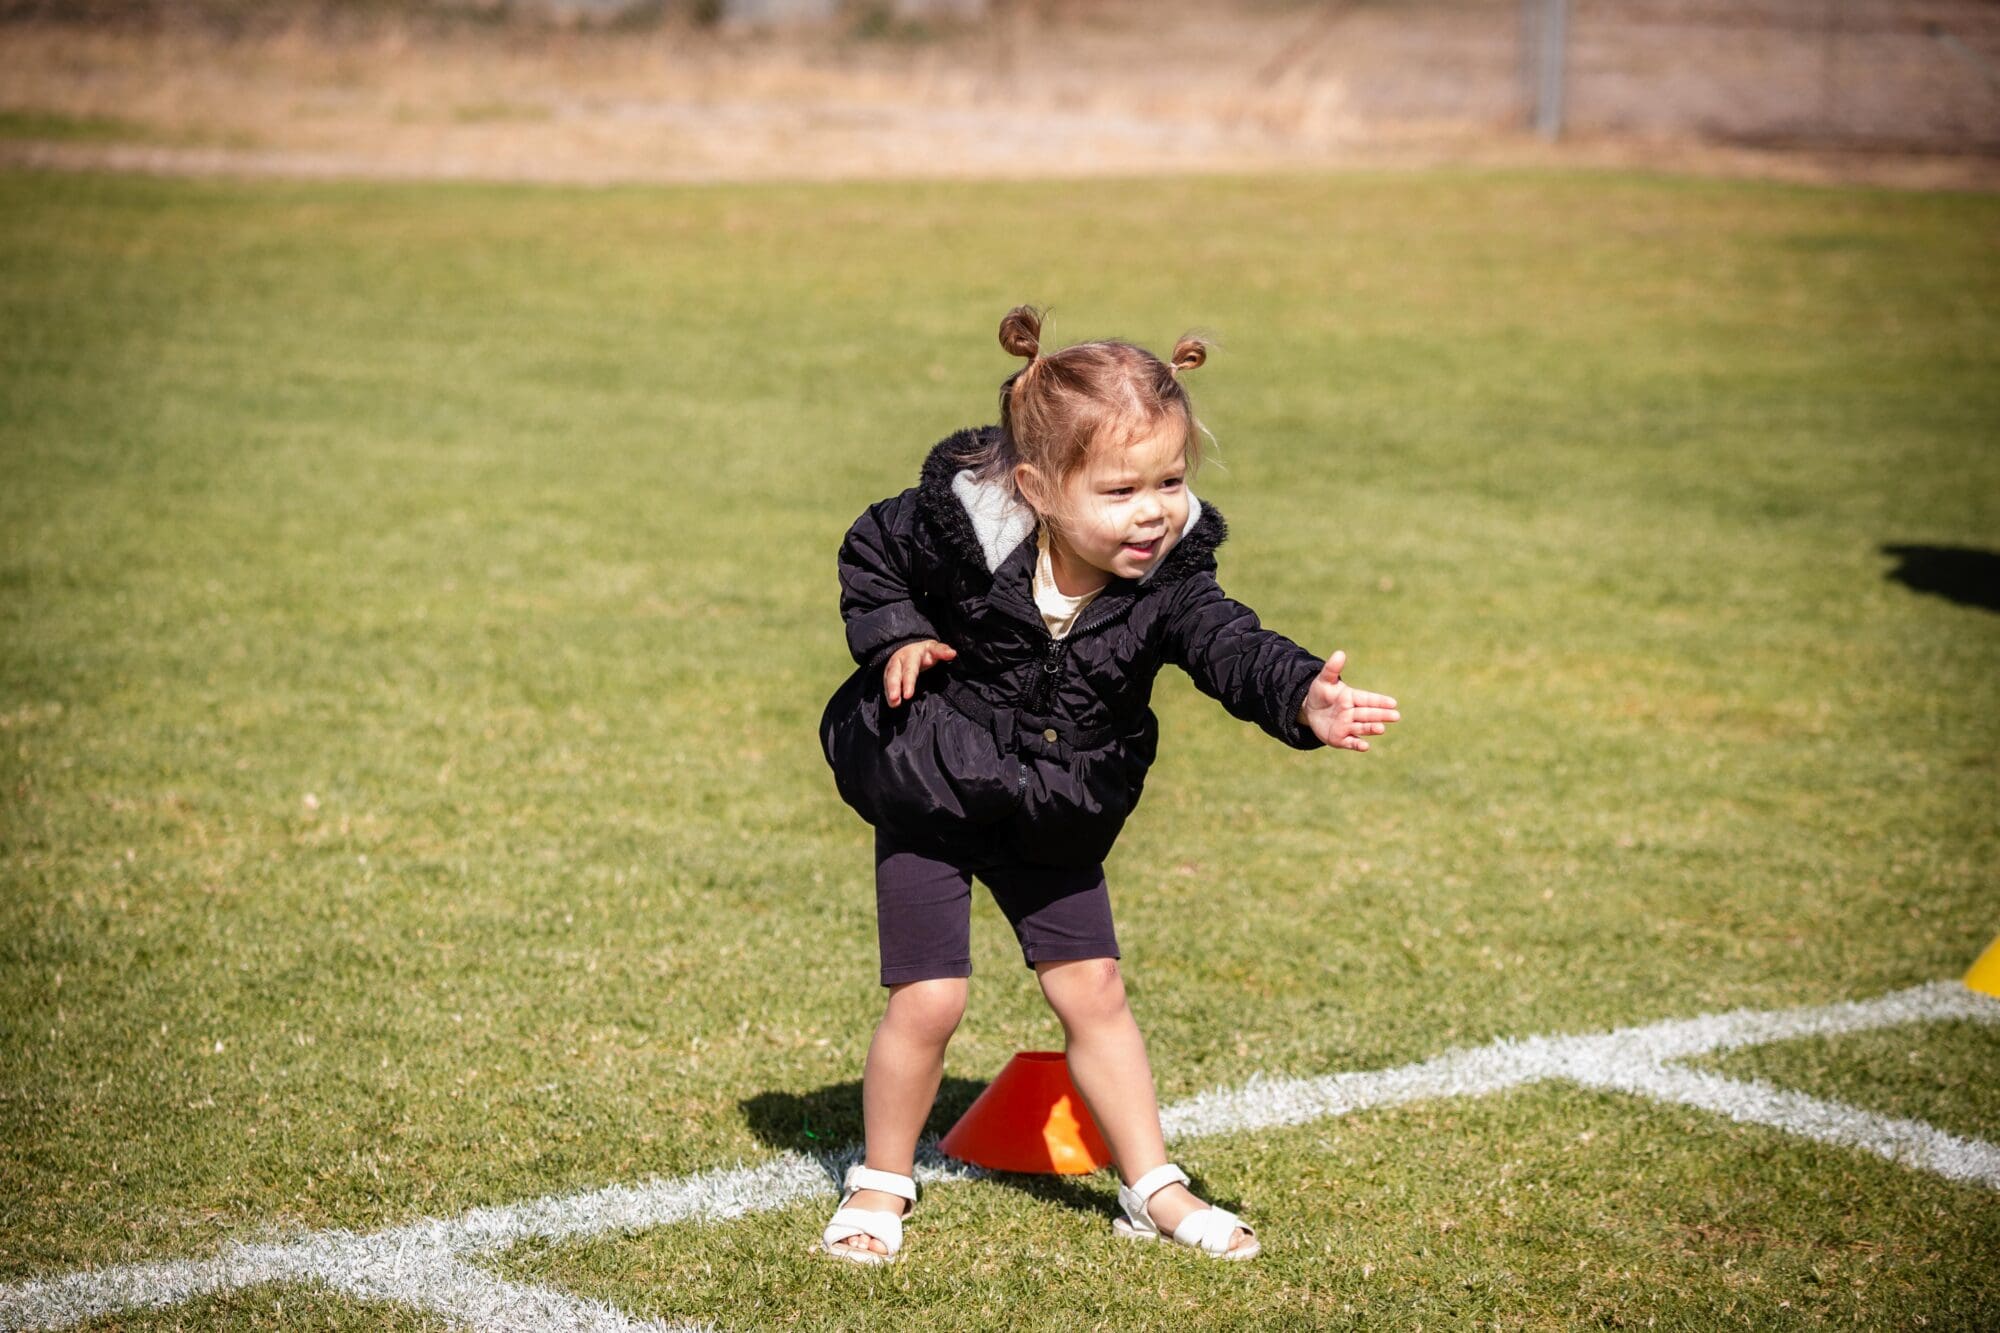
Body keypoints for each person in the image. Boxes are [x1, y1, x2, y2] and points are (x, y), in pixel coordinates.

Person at [815, 305, 1400, 1264]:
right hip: (935, 784)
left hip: (1057, 806)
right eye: (1121, 488)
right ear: (1038, 489)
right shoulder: (956, 529)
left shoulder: (1169, 581)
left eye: (1170, 481)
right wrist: (898, 635)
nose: (1152, 511)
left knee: (1095, 990)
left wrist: (1302, 696)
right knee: (930, 998)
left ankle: (1153, 1186)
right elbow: (873, 551)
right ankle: (882, 1180)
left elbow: (1231, 643)